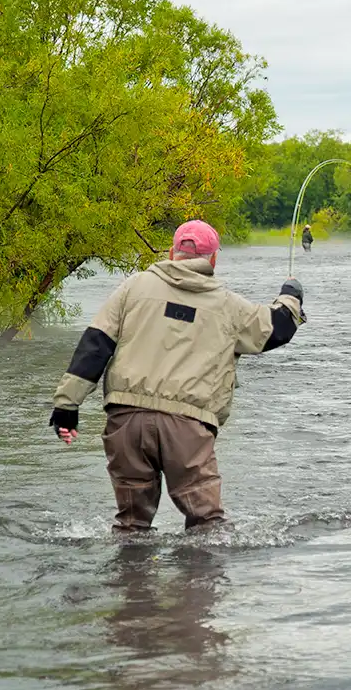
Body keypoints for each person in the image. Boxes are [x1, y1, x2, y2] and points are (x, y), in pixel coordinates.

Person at [49, 219, 305, 533]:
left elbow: (95, 345)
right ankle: (197, 581)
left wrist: (67, 406)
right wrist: (290, 296)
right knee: (207, 528)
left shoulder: (133, 287)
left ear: (172, 252)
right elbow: (277, 329)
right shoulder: (228, 306)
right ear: (213, 260)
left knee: (131, 526)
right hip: (188, 429)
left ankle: (128, 580)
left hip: (126, 422)